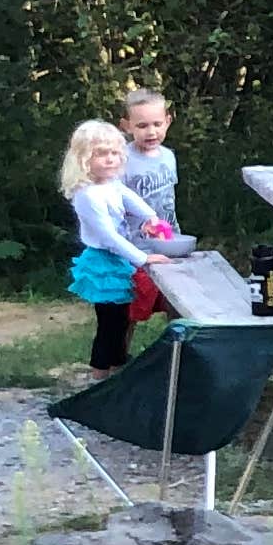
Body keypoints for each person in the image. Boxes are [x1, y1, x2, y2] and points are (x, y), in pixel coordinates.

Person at [63, 119, 166, 371]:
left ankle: (118, 364)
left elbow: (130, 198)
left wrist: (150, 217)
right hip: (103, 262)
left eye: (114, 153)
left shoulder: (111, 184)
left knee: (121, 320)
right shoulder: (86, 195)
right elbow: (109, 237)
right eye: (101, 154)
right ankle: (100, 372)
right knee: (109, 323)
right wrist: (142, 258)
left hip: (118, 260)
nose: (110, 159)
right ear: (84, 159)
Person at [116, 86, 184, 230]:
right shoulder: (121, 160)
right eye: (142, 126)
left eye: (157, 124)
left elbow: (170, 199)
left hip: (168, 236)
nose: (151, 132)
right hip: (136, 243)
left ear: (167, 122)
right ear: (127, 126)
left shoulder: (168, 156)